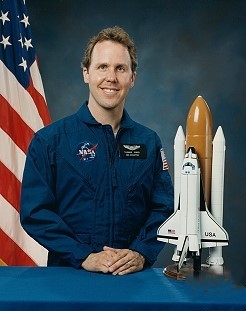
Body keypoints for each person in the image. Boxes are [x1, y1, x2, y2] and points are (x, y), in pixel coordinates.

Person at [20, 26, 174, 275]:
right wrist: (83, 256)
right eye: (102, 67)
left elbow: (163, 208)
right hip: (70, 278)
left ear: (132, 78)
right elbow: (35, 213)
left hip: (132, 280)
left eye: (120, 68)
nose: (111, 77)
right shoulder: (50, 142)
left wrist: (140, 253)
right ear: (86, 73)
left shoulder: (149, 142)